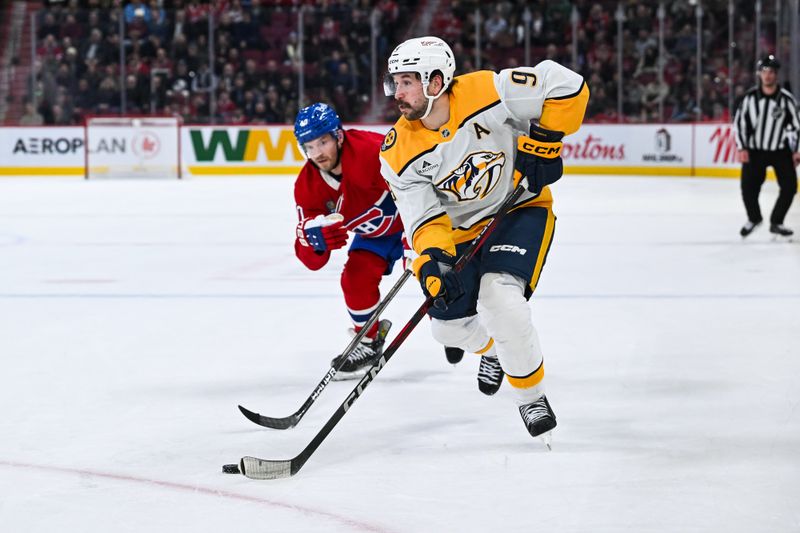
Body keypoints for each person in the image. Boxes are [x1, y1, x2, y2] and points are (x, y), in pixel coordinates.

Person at [379, 37, 588, 443]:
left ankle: (530, 396)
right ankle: (492, 350)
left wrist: (545, 140)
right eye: (395, 83)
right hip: (460, 232)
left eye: (407, 82)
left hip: (518, 209)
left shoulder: (489, 90)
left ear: (436, 80)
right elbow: (423, 217)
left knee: (500, 299)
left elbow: (567, 85)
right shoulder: (397, 151)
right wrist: (434, 258)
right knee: (449, 331)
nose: (398, 93)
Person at [293, 103, 405, 379]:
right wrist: (314, 242)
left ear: (338, 136)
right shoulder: (307, 186)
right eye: (309, 146)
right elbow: (311, 260)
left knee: (440, 286)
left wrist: (417, 236)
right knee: (355, 279)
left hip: (416, 225)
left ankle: (459, 325)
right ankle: (367, 341)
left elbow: (417, 185)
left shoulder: (370, 150)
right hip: (374, 236)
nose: (317, 153)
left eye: (322, 142)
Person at [733, 54, 800, 238]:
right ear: (759, 74)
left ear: (776, 75)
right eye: (764, 71)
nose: (768, 75)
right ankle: (754, 218)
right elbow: (740, 124)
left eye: (771, 72)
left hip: (780, 150)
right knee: (748, 187)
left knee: (790, 187)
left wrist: (796, 151)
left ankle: (777, 222)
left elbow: (796, 126)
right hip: (755, 150)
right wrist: (742, 147)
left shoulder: (786, 100)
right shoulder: (748, 99)